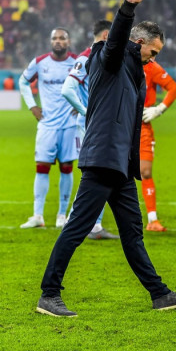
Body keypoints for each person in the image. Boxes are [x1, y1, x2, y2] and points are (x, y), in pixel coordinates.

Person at [36, 0, 176, 317]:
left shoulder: (134, 69)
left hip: (120, 164)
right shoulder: (108, 58)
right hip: (102, 158)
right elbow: (115, 41)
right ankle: (49, 294)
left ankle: (159, 294)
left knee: (133, 232)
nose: (153, 59)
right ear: (139, 43)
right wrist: (127, 7)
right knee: (77, 228)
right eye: (152, 52)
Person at [60, 19, 120, 240]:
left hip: (93, 126)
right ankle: (88, 224)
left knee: (97, 174)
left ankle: (84, 222)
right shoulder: (87, 57)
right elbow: (67, 89)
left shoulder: (91, 56)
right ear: (106, 35)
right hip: (92, 126)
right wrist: (85, 110)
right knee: (98, 174)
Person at [18, 28, 77, 229]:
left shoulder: (77, 62)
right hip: (47, 124)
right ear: (50, 41)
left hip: (70, 125)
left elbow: (91, 84)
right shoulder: (40, 62)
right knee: (41, 167)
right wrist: (32, 105)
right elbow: (23, 82)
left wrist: (81, 105)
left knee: (66, 168)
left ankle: (62, 215)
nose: (58, 41)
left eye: (62, 38)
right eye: (54, 38)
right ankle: (37, 216)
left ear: (69, 41)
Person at [138, 57, 176, 232]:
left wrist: (159, 109)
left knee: (145, 172)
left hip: (142, 126)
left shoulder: (151, 67)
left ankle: (152, 220)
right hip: (120, 124)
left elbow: (173, 88)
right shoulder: (122, 62)